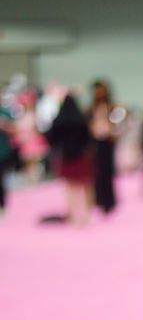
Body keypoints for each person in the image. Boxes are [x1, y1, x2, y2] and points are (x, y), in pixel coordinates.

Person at [46, 92, 93, 225]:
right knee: (84, 186)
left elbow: (51, 138)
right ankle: (85, 215)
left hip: (66, 156)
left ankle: (72, 215)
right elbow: (88, 139)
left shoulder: (59, 120)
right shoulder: (81, 119)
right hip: (81, 156)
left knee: (70, 187)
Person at [87, 80, 117, 213]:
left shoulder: (112, 107)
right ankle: (98, 200)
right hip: (95, 143)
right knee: (96, 172)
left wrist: (113, 132)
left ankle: (109, 201)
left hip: (108, 142)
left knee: (108, 172)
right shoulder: (90, 109)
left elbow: (120, 125)